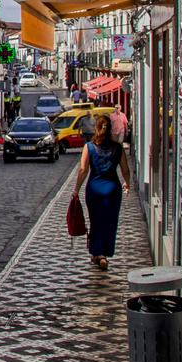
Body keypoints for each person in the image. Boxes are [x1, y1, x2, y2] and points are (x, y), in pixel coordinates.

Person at [72, 114, 132, 269]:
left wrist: (76, 190)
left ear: (95, 128)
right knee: (109, 222)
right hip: (112, 189)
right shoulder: (118, 147)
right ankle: (104, 253)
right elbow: (125, 170)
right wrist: (127, 183)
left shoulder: (89, 147)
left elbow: (83, 170)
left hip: (94, 189)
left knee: (95, 220)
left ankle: (97, 253)